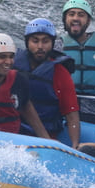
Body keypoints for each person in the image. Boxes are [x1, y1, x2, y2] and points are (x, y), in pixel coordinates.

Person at [13, 18, 81, 147]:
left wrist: (74, 145)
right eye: (35, 41)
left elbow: (71, 114)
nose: (40, 47)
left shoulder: (60, 73)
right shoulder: (13, 65)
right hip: (13, 131)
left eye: (45, 41)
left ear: (52, 43)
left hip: (44, 139)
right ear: (27, 42)